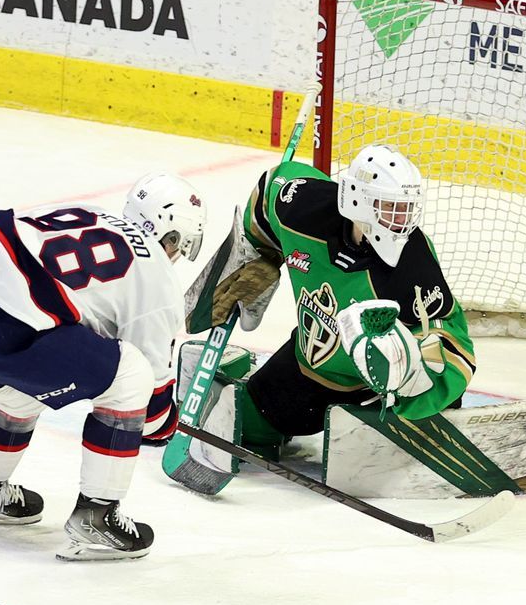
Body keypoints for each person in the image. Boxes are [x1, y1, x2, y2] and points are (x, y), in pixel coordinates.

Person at [0, 173, 205, 560]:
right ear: (173, 238)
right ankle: (97, 517)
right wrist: (167, 423)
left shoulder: (90, 212)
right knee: (130, 374)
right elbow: (151, 409)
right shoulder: (157, 277)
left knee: (33, 367)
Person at [170, 145, 476, 495]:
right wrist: (258, 251)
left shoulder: (412, 262)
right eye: (391, 208)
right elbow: (271, 189)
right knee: (249, 427)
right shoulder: (304, 209)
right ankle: (236, 372)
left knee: (383, 458)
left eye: (407, 209)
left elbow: (454, 343)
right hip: (310, 370)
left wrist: (412, 379)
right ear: (358, 202)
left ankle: (415, 425)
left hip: (378, 393)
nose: (401, 220)